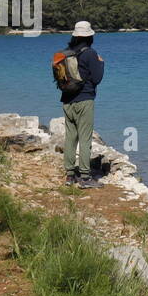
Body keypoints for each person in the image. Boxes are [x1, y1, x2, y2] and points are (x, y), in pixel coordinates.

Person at [61, 20, 105, 188]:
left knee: (70, 138)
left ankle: (70, 175)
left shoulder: (67, 53)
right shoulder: (90, 54)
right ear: (89, 37)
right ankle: (85, 177)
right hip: (84, 100)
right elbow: (97, 78)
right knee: (85, 138)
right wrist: (101, 63)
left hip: (67, 100)